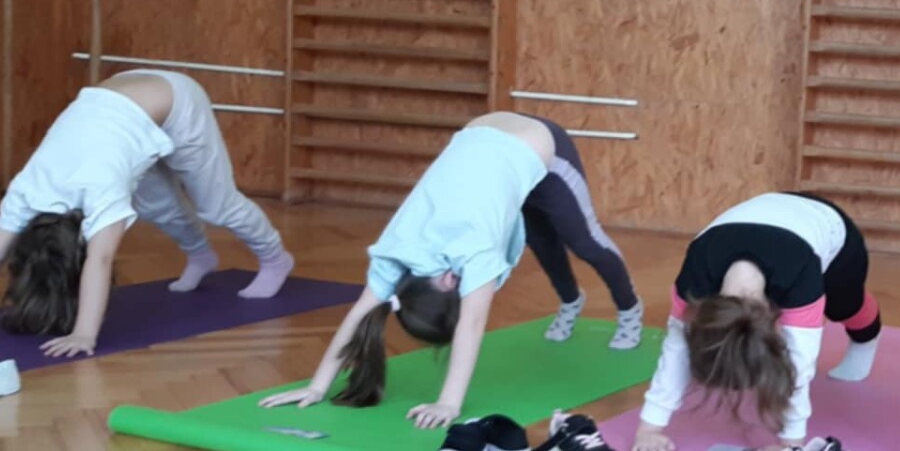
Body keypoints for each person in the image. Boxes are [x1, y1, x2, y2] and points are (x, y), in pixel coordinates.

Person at [260, 112, 641, 429]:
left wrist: (449, 403)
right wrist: (317, 386)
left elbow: (471, 325)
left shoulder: (472, 249)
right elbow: (362, 314)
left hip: (535, 139)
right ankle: (571, 301)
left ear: (447, 281)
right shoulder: (395, 252)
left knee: (584, 240)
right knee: (540, 237)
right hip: (484, 135)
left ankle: (630, 309)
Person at [0, 69, 293, 358]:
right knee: (156, 206)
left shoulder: (101, 193)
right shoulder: (27, 190)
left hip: (173, 100)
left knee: (216, 205)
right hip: (120, 101)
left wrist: (85, 334)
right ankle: (201, 256)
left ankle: (275, 258)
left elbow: (100, 260)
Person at [631, 192, 886, 451]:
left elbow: (799, 365)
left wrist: (789, 446)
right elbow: (676, 350)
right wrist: (649, 428)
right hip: (760, 225)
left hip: (828, 226)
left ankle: (867, 339)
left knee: (844, 307)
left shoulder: (799, 276)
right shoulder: (694, 282)